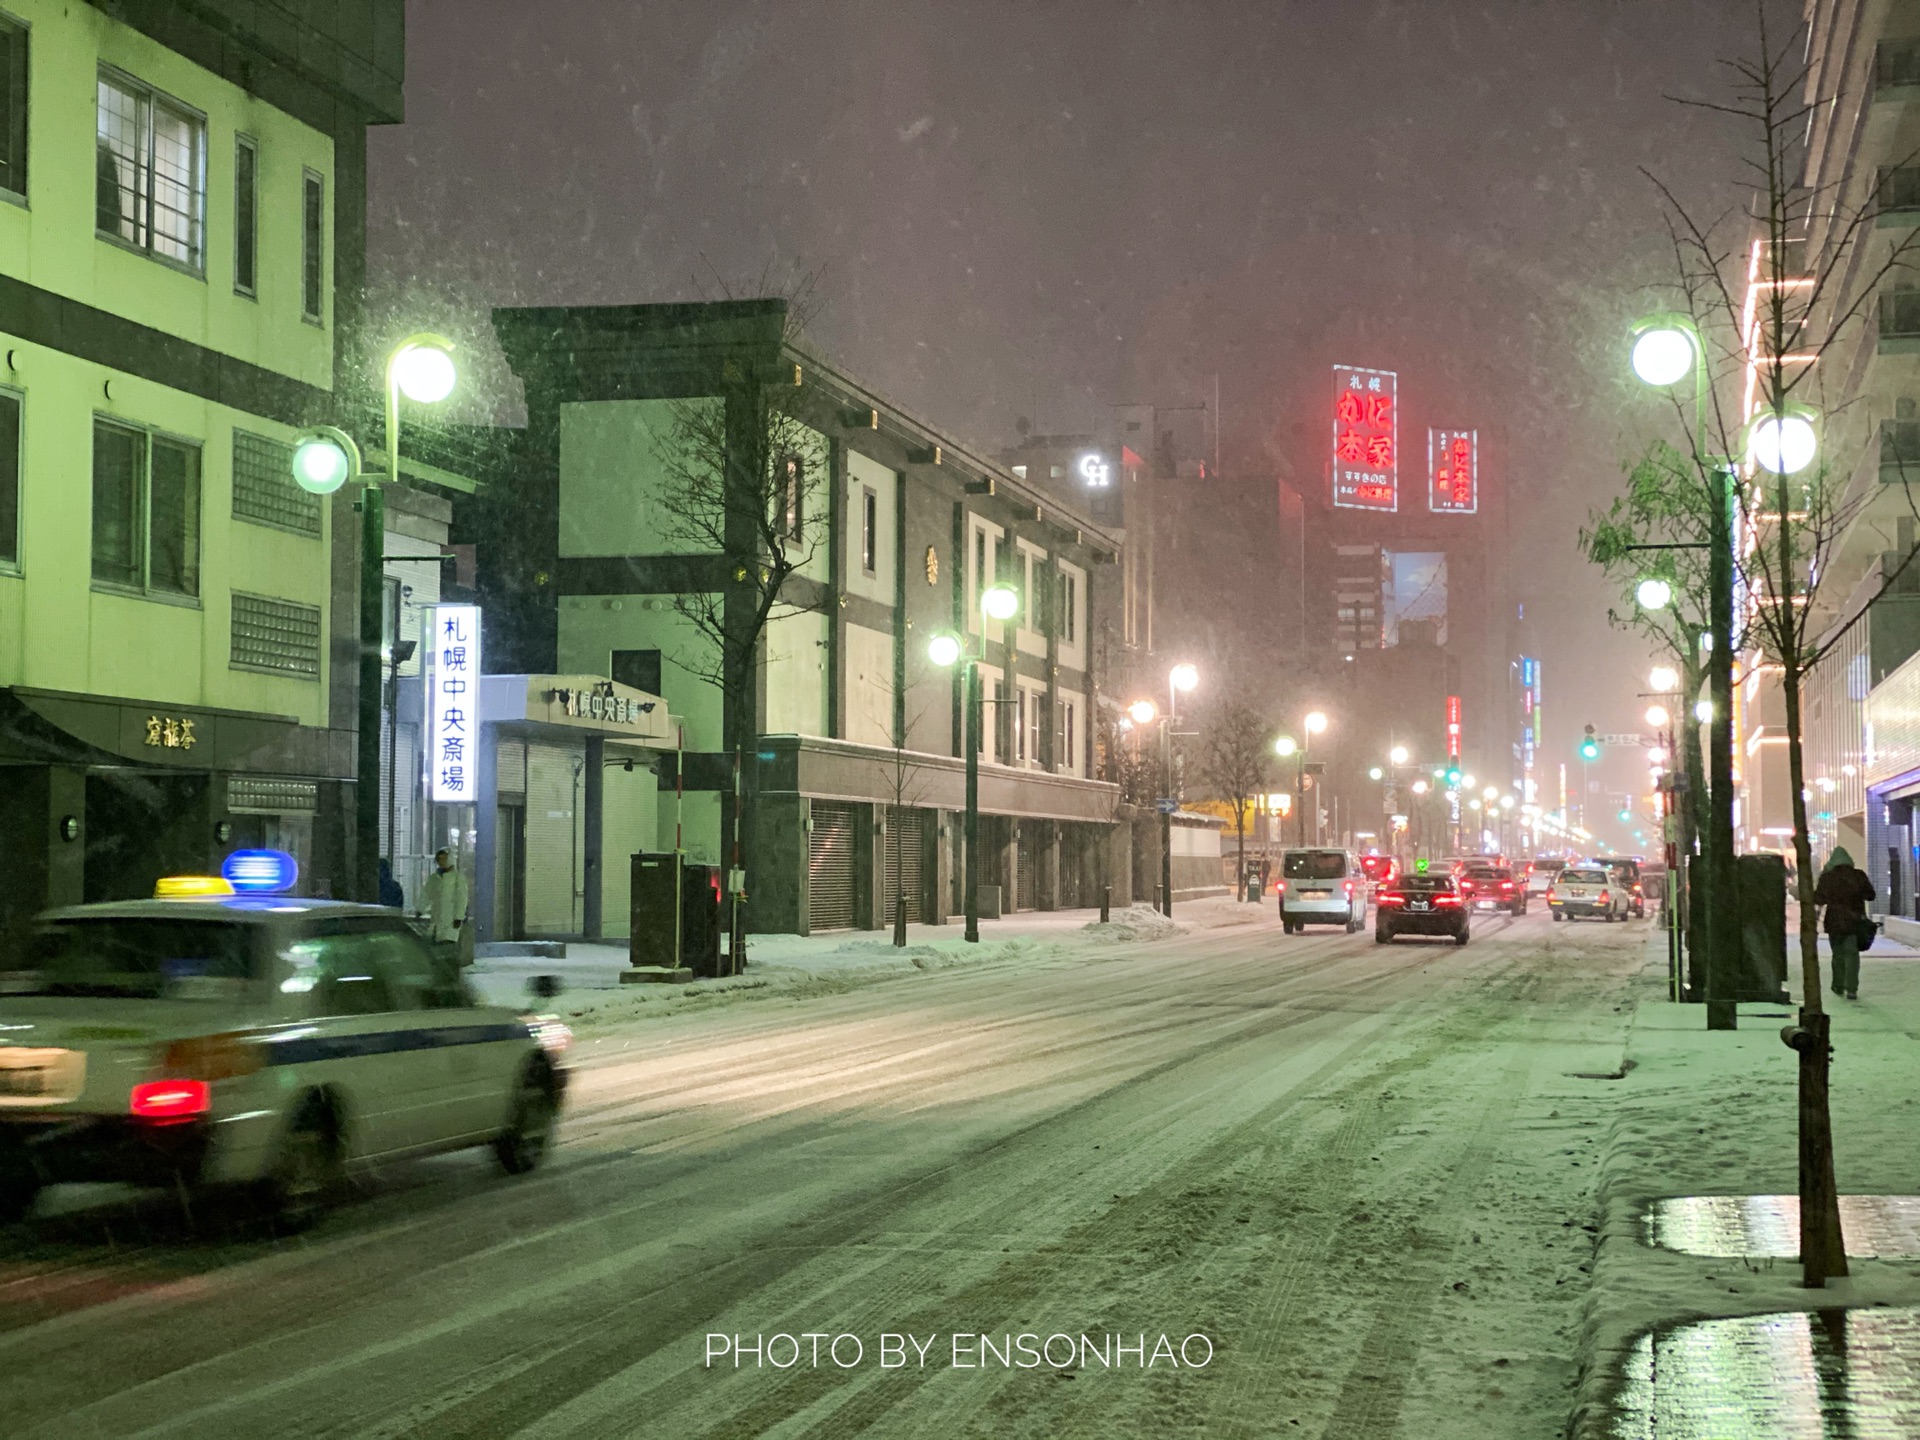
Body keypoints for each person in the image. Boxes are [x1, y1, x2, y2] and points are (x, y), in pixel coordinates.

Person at [1813, 846, 1875, 1001]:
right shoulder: (1858, 876)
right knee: (1852, 954)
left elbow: (1819, 899)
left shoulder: (1827, 877)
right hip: (1855, 921)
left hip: (1834, 921)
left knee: (1838, 954)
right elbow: (1870, 895)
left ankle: (1838, 985)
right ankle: (1852, 988)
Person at [420, 849, 471, 967]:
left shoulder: (458, 878)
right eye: (439, 859)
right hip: (437, 920)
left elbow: (461, 898)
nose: (441, 862)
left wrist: (459, 916)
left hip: (451, 921)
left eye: (444, 859)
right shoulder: (434, 878)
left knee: (449, 949)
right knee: (437, 950)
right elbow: (426, 894)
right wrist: (420, 909)